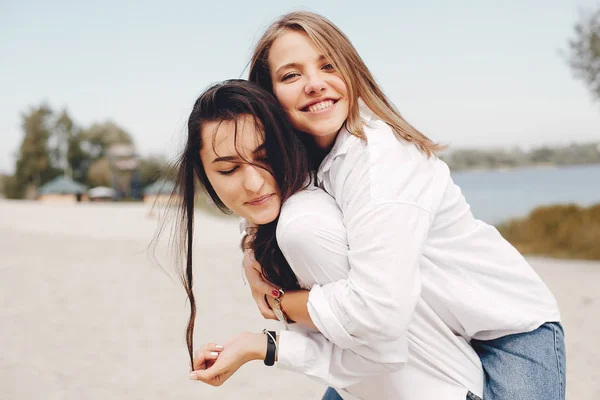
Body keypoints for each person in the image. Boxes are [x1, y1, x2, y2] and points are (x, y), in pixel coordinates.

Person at [241, 11, 566, 400]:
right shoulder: (301, 159)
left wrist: (282, 304)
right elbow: (261, 202)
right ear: (268, 96)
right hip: (421, 334)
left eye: (329, 65)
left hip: (506, 330)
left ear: (352, 72)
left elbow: (376, 309)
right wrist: (249, 253)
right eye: (291, 75)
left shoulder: (381, 162)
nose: (314, 84)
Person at [174, 79, 484, 399]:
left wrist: (263, 345)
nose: (253, 183)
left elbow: (381, 354)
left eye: (265, 157)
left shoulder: (302, 227)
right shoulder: (276, 219)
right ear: (204, 175)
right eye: (228, 170)